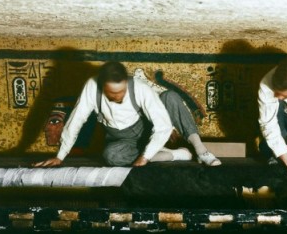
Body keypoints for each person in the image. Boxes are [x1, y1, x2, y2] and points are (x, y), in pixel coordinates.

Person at [33, 61, 220, 168]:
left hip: (145, 127)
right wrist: (60, 156)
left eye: (121, 91)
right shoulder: (92, 87)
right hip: (120, 138)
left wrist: (144, 158)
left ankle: (201, 151)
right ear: (102, 86)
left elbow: (162, 125)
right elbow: (76, 120)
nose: (119, 97)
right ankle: (174, 155)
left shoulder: (139, 87)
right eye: (112, 93)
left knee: (169, 97)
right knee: (111, 156)